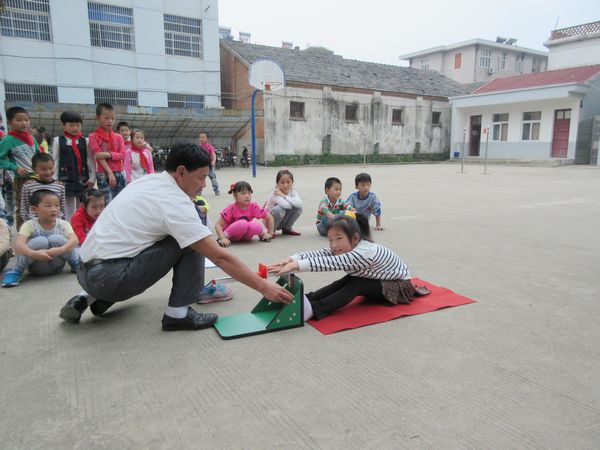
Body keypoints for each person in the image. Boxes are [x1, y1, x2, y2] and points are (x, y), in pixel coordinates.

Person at [58, 143, 292, 331]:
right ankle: (177, 314)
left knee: (166, 235)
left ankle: (86, 298)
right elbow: (220, 257)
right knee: (193, 240)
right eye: (201, 178)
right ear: (181, 172)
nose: (203, 185)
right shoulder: (175, 203)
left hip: (85, 272)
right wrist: (263, 287)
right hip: (110, 278)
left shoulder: (148, 181)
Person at [269, 214, 425, 321]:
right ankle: (311, 298)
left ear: (355, 238)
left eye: (338, 239)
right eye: (330, 240)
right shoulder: (349, 246)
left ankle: (315, 309)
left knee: (357, 283)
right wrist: (291, 259)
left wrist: (295, 266)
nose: (334, 245)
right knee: (347, 280)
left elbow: (329, 263)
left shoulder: (364, 253)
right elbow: (321, 253)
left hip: (398, 287)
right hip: (379, 280)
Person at [2, 189, 79, 287]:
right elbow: (19, 245)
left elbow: (75, 240)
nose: (54, 209)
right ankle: (16, 272)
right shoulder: (29, 225)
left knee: (55, 239)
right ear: (34, 209)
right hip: (37, 267)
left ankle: (76, 264)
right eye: (48, 206)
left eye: (57, 205)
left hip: (57, 265)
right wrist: (33, 254)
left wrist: (61, 249)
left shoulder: (63, 224)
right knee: (41, 241)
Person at [0, 106, 41, 230]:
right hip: (22, 179)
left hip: (37, 178)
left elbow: (39, 155)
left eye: (26, 120)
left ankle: (37, 230)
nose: (24, 123)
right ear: (9, 122)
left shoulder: (31, 138)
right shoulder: (8, 140)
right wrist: (15, 168)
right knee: (23, 207)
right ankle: (22, 234)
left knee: (38, 205)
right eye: (19, 120)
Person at [51, 111, 96, 220]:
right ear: (64, 125)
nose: (75, 128)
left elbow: (91, 161)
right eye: (71, 125)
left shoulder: (86, 141)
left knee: (83, 205)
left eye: (77, 125)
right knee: (68, 208)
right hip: (65, 179)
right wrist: (55, 179)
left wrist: (92, 178)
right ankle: (69, 227)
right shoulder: (58, 141)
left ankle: (82, 225)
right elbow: (55, 161)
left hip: (82, 178)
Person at [215, 181, 275, 247]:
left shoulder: (253, 206)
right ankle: (223, 237)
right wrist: (222, 238)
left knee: (254, 225)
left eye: (249, 193)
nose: (247, 196)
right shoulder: (231, 209)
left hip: (246, 237)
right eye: (243, 193)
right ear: (235, 195)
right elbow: (218, 225)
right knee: (243, 224)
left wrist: (270, 233)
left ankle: (262, 235)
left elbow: (269, 217)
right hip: (231, 236)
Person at [88, 103, 127, 204]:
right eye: (106, 118)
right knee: (107, 202)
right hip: (103, 173)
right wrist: (109, 172)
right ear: (98, 118)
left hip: (119, 172)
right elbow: (98, 156)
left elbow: (123, 154)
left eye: (112, 118)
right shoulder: (93, 136)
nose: (110, 121)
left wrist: (108, 154)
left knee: (121, 201)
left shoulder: (118, 137)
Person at [20, 153, 67, 224]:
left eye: (51, 168)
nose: (48, 172)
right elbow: (24, 207)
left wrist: (62, 223)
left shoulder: (60, 186)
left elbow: (62, 208)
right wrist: (28, 223)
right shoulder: (28, 186)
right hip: (34, 224)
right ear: (34, 170)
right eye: (43, 169)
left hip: (55, 224)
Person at [264, 169, 303, 236]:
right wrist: (293, 202)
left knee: (299, 208)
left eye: (288, 182)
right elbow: (287, 205)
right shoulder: (275, 193)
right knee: (279, 209)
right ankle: (271, 231)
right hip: (269, 222)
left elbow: (300, 203)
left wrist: (284, 196)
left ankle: (287, 228)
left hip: (281, 220)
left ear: (292, 182)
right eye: (282, 183)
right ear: (277, 183)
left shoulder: (292, 191)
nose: (285, 185)